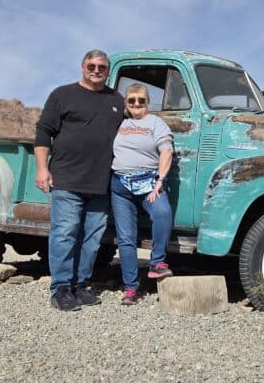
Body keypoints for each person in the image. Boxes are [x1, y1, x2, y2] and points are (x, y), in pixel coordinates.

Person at [35, 49, 124, 311]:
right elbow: (43, 132)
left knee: (92, 238)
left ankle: (80, 286)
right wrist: (42, 169)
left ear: (108, 71)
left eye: (101, 67)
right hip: (67, 178)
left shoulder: (116, 100)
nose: (96, 70)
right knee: (65, 233)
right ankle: (60, 289)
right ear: (82, 67)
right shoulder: (63, 94)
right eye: (91, 66)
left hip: (100, 183)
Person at [109, 83, 174, 305]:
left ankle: (157, 263)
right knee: (126, 238)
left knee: (163, 213)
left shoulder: (156, 123)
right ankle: (131, 288)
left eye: (141, 100)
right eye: (132, 100)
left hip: (148, 184)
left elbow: (166, 151)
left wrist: (160, 181)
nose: (137, 104)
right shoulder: (120, 123)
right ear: (126, 103)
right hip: (120, 186)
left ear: (148, 102)